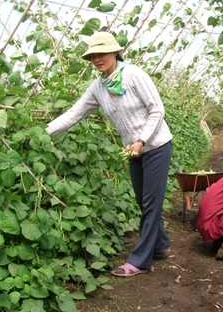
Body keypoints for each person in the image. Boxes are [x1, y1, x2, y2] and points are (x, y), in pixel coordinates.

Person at [45, 31, 173, 277]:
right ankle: (162, 246)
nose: (97, 59)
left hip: (155, 145)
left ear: (115, 52)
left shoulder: (135, 75)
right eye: (92, 55)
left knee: (150, 202)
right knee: (143, 201)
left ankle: (139, 261)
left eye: (101, 53)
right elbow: (74, 114)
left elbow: (157, 110)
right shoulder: (98, 88)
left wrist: (141, 140)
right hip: (133, 150)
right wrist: (43, 133)